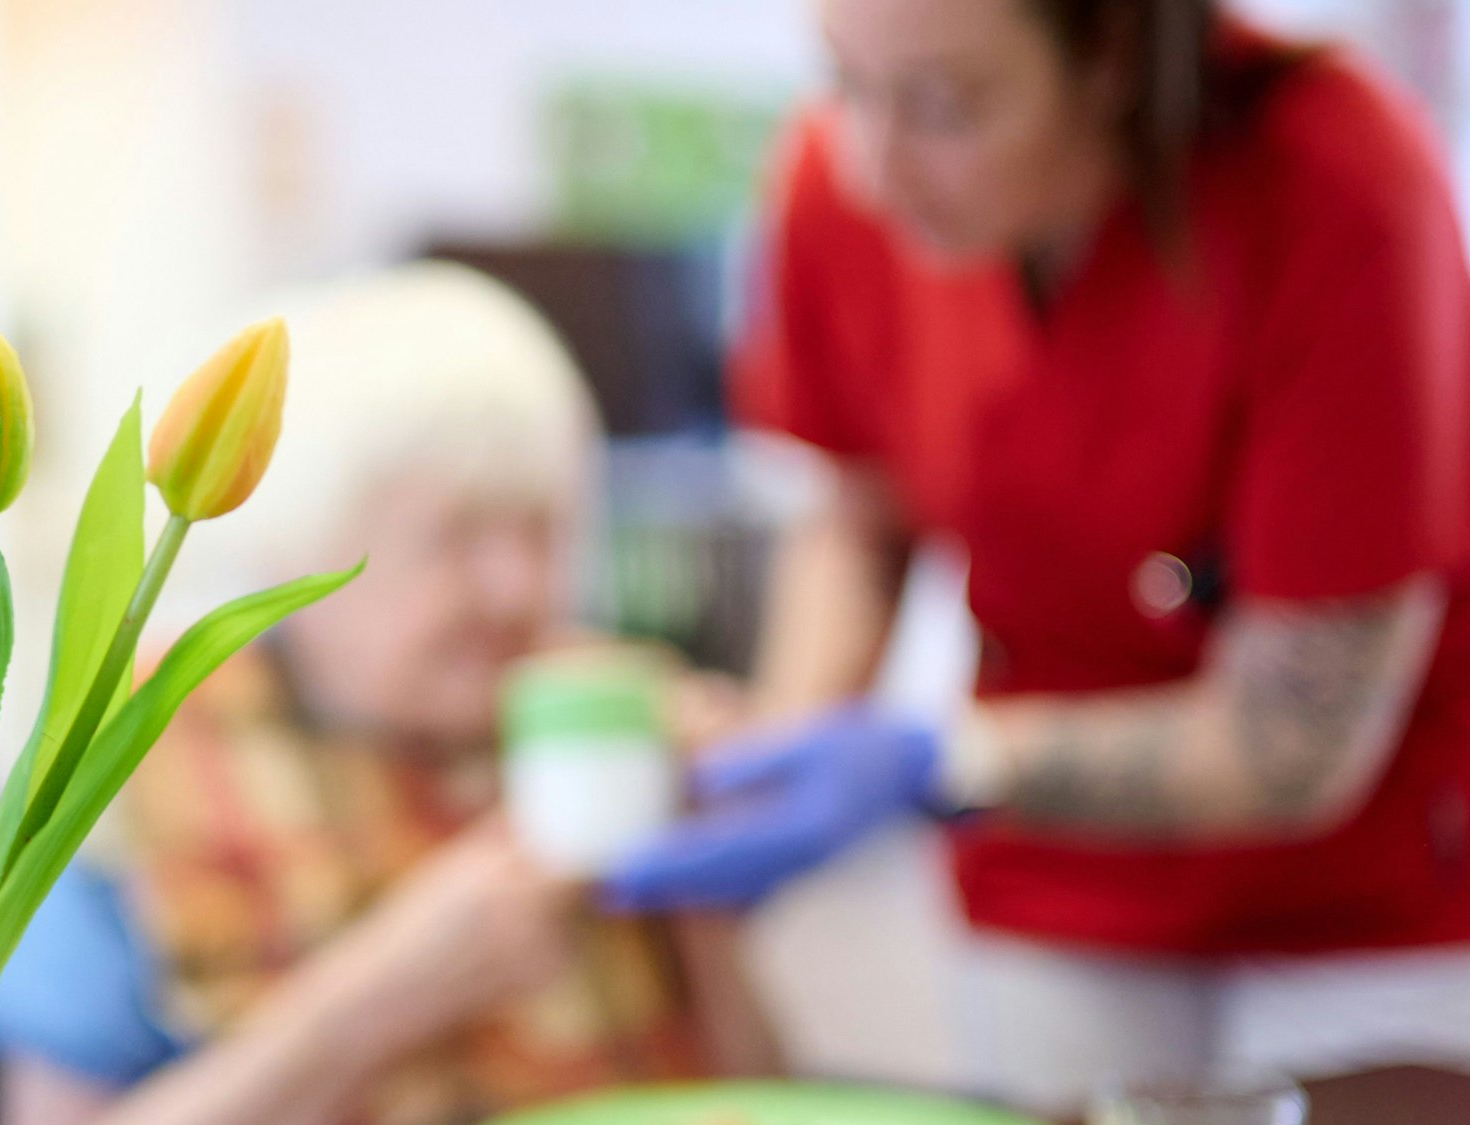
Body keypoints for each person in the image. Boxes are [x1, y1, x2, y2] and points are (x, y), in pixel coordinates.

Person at [604, 0, 1470, 1113]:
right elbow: (861, 518)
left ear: (1111, 53)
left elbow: (1292, 743)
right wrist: (776, 756)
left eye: (944, 104)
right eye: (844, 82)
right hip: (1054, 877)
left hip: (1355, 892)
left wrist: (936, 763)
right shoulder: (834, 183)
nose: (869, 171)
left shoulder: (1338, 184)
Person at [0, 262, 774, 1125]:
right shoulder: (129, 764)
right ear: (298, 551)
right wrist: (375, 1004)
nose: (515, 587)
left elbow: (762, 1092)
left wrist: (706, 888)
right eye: (455, 536)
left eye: (542, 530)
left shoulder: (602, 716)